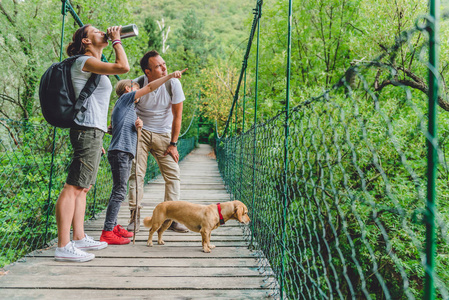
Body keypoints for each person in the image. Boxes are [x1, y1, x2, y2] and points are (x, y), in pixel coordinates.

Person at [54, 25, 130, 262]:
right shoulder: (83, 61)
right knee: (73, 186)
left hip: (93, 131)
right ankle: (63, 246)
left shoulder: (93, 65)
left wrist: (98, 137)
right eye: (96, 31)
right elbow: (123, 67)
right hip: (85, 129)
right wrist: (117, 40)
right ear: (86, 41)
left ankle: (78, 237)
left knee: (83, 187)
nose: (103, 33)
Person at [100, 68, 186, 244]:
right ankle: (121, 223)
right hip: (122, 150)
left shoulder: (127, 105)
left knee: (121, 189)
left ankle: (170, 218)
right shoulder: (127, 98)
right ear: (127, 90)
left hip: (156, 137)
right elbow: (150, 88)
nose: (139, 92)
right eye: (135, 88)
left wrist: (136, 124)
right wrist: (169, 76)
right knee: (124, 186)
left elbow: (118, 124)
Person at [126, 50, 188, 233]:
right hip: (141, 132)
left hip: (163, 135)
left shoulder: (173, 84)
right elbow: (127, 107)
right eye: (158, 66)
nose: (164, 68)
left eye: (164, 64)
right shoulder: (137, 84)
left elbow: (178, 116)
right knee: (136, 174)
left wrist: (173, 144)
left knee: (173, 174)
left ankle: (171, 219)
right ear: (148, 72)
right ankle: (134, 218)